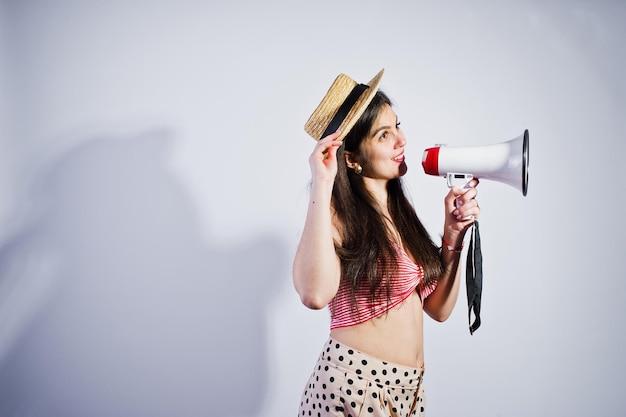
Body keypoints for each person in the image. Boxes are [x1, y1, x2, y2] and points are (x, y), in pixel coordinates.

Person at [293, 69, 480, 417]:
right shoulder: (336, 215)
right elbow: (314, 295)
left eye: (398, 125)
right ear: (351, 158)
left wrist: (452, 234)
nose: (401, 140)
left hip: (407, 392)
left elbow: (438, 309)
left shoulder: (399, 214)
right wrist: (323, 181)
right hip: (354, 388)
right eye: (384, 135)